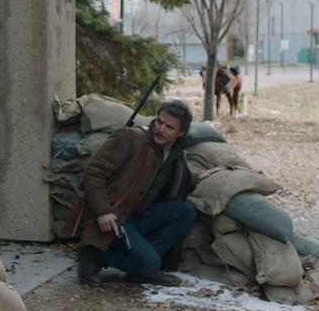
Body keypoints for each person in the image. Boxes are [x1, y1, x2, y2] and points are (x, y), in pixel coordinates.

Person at [76, 100, 224, 286]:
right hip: (114, 217)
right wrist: (103, 211)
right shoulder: (131, 138)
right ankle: (94, 256)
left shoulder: (176, 155)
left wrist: (200, 176)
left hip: (138, 217)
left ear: (181, 133)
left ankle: (143, 269)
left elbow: (179, 182)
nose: (161, 129)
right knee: (150, 263)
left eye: (169, 127)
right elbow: (93, 171)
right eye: (160, 122)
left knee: (184, 212)